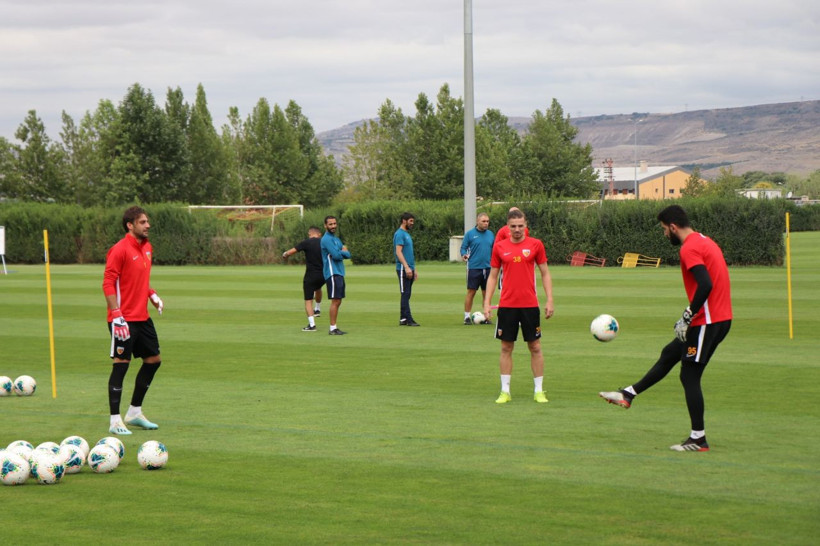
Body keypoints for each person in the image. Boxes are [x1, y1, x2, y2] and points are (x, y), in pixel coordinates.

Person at [599, 204, 732, 452]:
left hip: (708, 321)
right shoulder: (704, 240)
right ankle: (629, 394)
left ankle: (698, 439)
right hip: (717, 318)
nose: (664, 234)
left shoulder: (689, 248)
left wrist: (687, 316)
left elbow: (705, 284)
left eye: (664, 229)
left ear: (673, 227)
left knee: (689, 375)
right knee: (670, 353)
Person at [102, 206, 165, 435]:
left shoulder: (147, 247)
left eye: (147, 221)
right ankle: (115, 421)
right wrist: (116, 313)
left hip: (142, 317)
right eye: (142, 222)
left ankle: (134, 412)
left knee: (154, 360)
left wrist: (152, 295)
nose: (148, 225)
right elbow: (108, 283)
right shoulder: (119, 249)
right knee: (121, 365)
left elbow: (139, 279)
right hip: (123, 319)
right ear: (130, 225)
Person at [482, 209, 554, 404]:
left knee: (535, 346)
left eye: (520, 226)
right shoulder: (500, 247)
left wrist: (549, 299)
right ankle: (505, 391)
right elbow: (493, 276)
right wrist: (487, 303)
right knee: (506, 347)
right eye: (513, 226)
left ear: (525, 225)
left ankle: (539, 391)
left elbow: (545, 273)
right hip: (507, 305)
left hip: (530, 305)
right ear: (508, 227)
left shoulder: (536, 245)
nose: (517, 229)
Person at [282, 226, 325, 331]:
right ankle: (317, 309)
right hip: (324, 274)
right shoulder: (324, 242)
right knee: (318, 288)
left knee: (308, 300)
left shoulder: (306, 242)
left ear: (309, 234)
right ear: (319, 234)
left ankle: (312, 325)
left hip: (310, 275)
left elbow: (291, 252)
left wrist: (285, 254)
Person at [460, 212, 495, 325]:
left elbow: (495, 249)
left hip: (488, 268)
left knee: (486, 293)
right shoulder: (470, 234)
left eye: (487, 221)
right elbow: (463, 248)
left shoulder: (490, 234)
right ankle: (466, 317)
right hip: (474, 268)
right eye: (483, 221)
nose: (486, 223)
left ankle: (487, 316)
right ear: (477, 221)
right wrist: (464, 255)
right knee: (471, 292)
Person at [320, 216, 351, 335]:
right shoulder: (326, 239)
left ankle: (334, 327)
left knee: (338, 300)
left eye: (334, 224)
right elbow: (337, 255)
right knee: (335, 300)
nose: (333, 226)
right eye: (330, 224)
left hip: (339, 272)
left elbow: (348, 255)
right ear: (325, 226)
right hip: (332, 272)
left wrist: (340, 251)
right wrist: (341, 251)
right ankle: (332, 328)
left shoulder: (336, 239)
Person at [394, 212, 419, 326]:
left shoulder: (406, 234)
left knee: (407, 294)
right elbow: (398, 252)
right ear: (404, 221)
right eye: (410, 221)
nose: (412, 223)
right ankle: (408, 319)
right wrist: (406, 267)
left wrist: (414, 269)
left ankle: (403, 318)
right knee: (405, 293)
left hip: (409, 268)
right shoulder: (400, 234)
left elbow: (409, 253)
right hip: (403, 268)